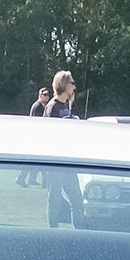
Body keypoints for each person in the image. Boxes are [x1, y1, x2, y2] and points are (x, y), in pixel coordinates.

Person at [43, 71, 86, 228]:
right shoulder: (52, 107)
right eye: (72, 83)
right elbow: (48, 135)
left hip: (68, 161)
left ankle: (79, 233)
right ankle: (52, 234)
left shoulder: (66, 105)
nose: (74, 87)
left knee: (77, 200)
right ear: (63, 84)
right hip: (55, 162)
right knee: (54, 200)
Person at [17, 88, 51, 187]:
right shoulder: (37, 107)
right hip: (36, 137)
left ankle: (31, 179)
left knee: (36, 160)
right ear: (40, 95)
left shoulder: (44, 106)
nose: (46, 96)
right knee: (36, 160)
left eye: (48, 95)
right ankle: (22, 178)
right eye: (44, 95)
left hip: (39, 137)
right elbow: (38, 123)